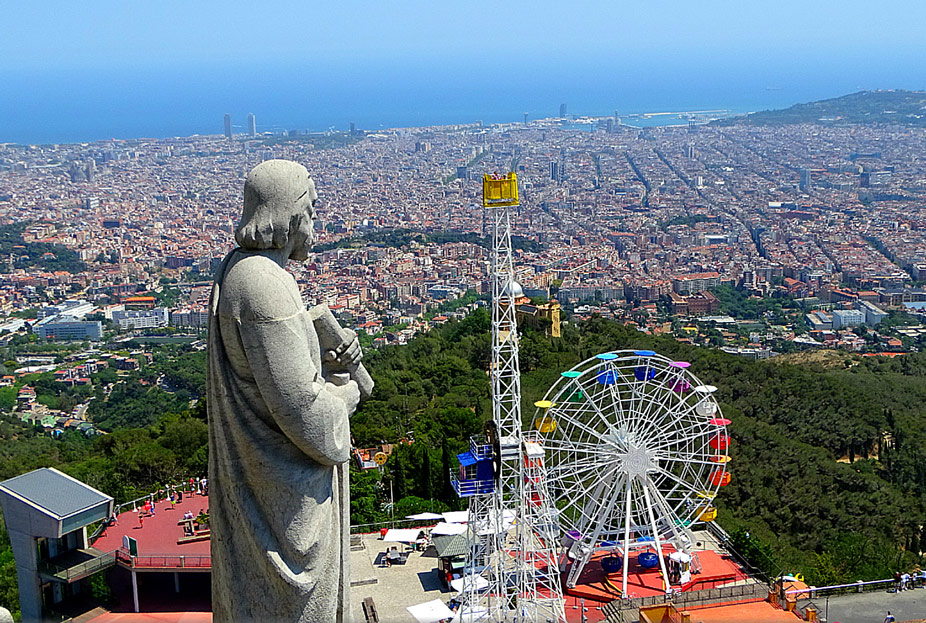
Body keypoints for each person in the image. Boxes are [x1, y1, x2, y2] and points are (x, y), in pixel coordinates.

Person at [208, 160, 366, 623]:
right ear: (291, 214)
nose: (316, 223)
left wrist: (319, 354)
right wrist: (346, 392)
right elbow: (313, 422)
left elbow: (271, 381)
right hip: (284, 508)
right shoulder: (264, 287)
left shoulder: (239, 271)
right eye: (313, 211)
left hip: (265, 487)